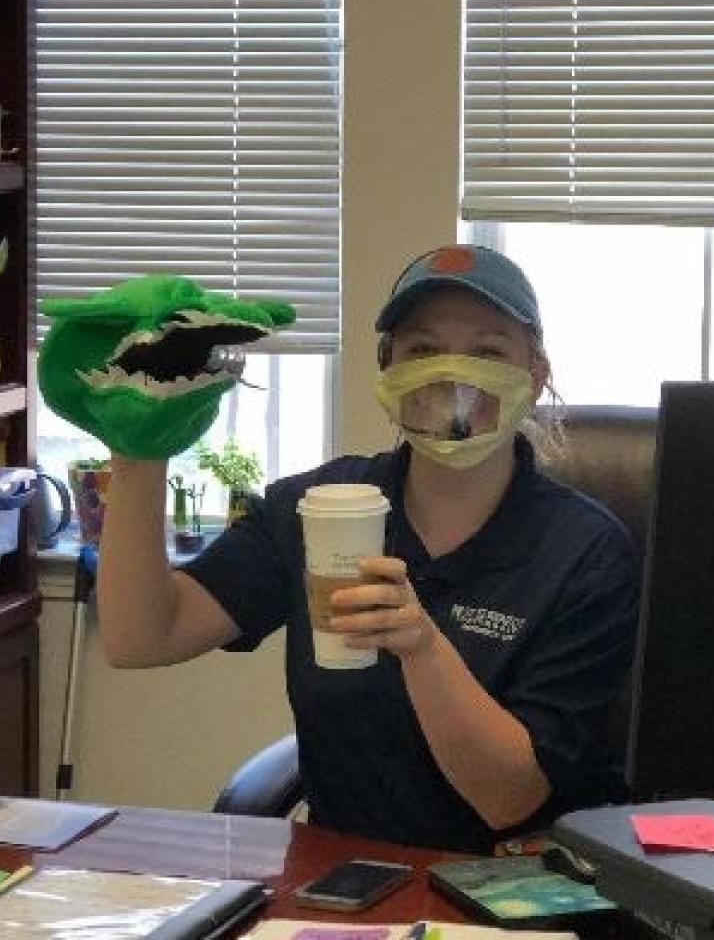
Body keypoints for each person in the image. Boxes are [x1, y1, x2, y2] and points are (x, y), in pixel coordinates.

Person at [97, 244, 640, 854]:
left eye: (488, 351)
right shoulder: (319, 508)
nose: (453, 375)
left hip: (514, 886)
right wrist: (137, 452)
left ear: (535, 375)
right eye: (422, 350)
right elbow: (142, 636)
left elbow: (508, 799)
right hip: (344, 880)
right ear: (388, 371)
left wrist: (421, 647)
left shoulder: (585, 552)